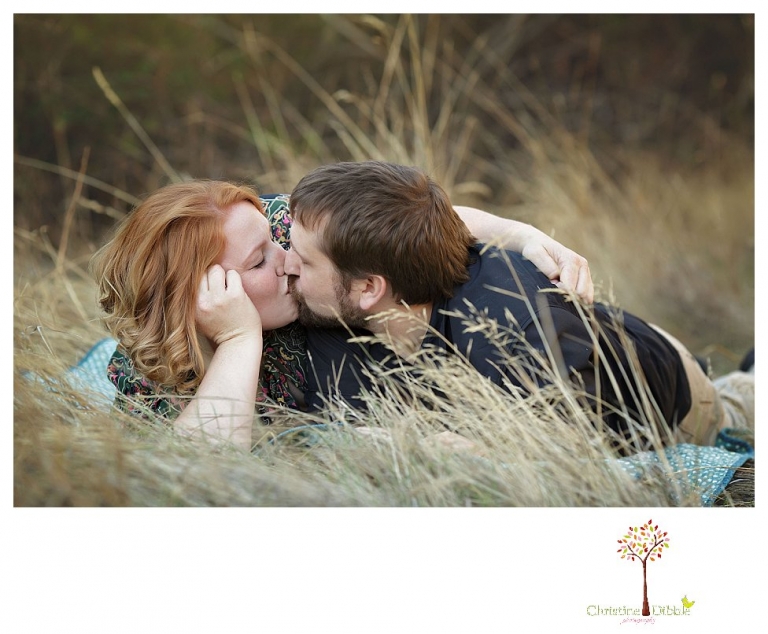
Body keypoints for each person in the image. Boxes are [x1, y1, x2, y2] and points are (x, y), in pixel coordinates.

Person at [282, 161, 754, 453]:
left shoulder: (512, 328)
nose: (284, 262)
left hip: (670, 402)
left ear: (369, 288)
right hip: (596, 341)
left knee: (742, 404)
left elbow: (574, 451)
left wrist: (453, 450)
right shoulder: (342, 301)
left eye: (303, 259)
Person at [91, 178, 594, 449]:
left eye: (278, 241)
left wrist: (523, 236)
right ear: (203, 294)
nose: (287, 259)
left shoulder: (268, 230)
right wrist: (239, 340)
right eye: (259, 262)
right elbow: (200, 472)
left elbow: (399, 228)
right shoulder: (149, 377)